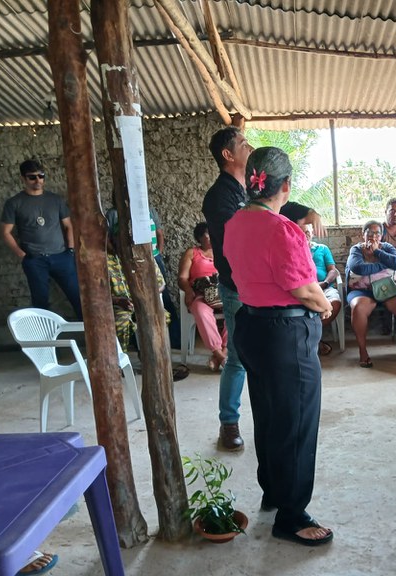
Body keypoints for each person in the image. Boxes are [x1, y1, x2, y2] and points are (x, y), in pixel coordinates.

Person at [223, 146, 333, 546]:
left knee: (269, 412)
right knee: (297, 421)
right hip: (286, 335)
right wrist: (325, 304)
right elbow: (304, 289)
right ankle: (291, 514)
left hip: (251, 325)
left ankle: (273, 489)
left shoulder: (235, 222)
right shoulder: (283, 229)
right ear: (285, 185)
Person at [202, 126, 323, 451]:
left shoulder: (248, 190)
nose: (248, 144)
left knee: (263, 358)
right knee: (240, 357)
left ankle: (270, 426)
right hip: (239, 286)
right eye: (242, 143)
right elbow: (250, 232)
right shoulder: (219, 197)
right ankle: (229, 422)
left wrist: (305, 211)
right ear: (228, 155)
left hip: (260, 286)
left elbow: (270, 203)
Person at [1, 159, 82, 319]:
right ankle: (47, 343)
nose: (38, 180)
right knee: (41, 303)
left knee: (77, 297)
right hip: (35, 260)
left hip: (62, 257)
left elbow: (69, 225)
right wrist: (22, 255)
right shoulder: (14, 203)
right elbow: (5, 232)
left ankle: (90, 339)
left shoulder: (55, 200)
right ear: (23, 179)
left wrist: (71, 250)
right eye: (32, 177)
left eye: (41, 176)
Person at [105, 205, 181, 349]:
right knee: (121, 322)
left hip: (146, 302)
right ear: (114, 240)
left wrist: (146, 295)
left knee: (160, 317)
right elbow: (100, 293)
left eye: (129, 241)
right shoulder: (106, 262)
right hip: (119, 306)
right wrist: (119, 300)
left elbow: (161, 283)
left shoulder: (144, 258)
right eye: (121, 240)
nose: (127, 245)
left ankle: (153, 353)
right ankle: (121, 359)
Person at [346, 220, 396, 368]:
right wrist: (384, 265)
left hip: (388, 287)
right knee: (358, 307)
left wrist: (377, 252)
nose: (373, 236)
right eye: (370, 232)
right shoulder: (356, 249)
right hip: (362, 290)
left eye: (377, 233)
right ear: (362, 234)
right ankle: (363, 351)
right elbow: (358, 268)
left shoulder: (387, 247)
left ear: (382, 235)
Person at [177, 222, 227, 371]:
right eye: (206, 235)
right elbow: (182, 278)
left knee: (237, 310)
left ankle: (222, 353)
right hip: (200, 294)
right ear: (199, 238)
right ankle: (219, 354)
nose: (210, 237)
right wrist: (188, 290)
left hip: (223, 293)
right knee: (200, 311)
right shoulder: (192, 253)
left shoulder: (223, 251)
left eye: (212, 234)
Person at [302, 222, 342, 355]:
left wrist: (324, 283)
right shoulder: (294, 250)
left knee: (335, 303)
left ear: (312, 233)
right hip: (304, 290)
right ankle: (316, 340)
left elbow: (333, 270)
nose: (305, 235)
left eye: (308, 232)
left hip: (324, 286)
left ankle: (311, 338)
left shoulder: (322, 248)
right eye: (302, 233)